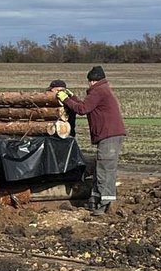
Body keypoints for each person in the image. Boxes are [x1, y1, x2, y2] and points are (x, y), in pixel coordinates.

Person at [52, 67, 126, 214]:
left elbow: (83, 109)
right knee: (101, 167)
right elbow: (86, 105)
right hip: (109, 134)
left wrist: (65, 98)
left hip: (109, 135)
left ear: (92, 81)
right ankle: (95, 201)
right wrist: (71, 97)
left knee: (105, 168)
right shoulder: (103, 90)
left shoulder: (98, 91)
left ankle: (104, 204)